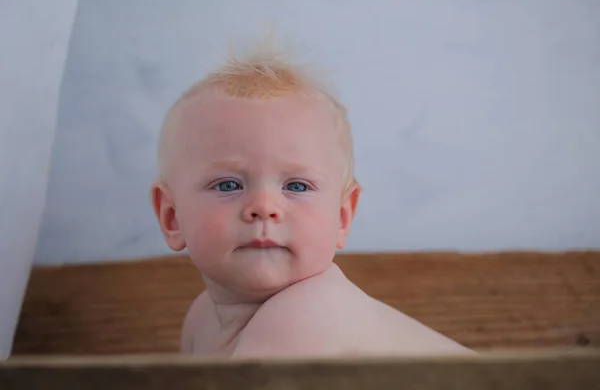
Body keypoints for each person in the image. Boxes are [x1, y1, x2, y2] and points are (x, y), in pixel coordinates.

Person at [150, 35, 473, 358]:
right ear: (172, 217)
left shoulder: (303, 317)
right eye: (228, 185)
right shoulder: (201, 319)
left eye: (297, 186)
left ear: (343, 216)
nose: (264, 207)